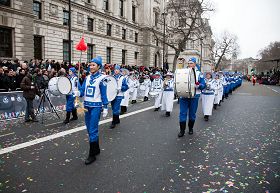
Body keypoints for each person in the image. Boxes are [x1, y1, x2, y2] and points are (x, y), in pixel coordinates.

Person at [74, 56, 109, 165]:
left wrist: (106, 107)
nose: (91, 66)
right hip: (87, 106)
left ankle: (92, 155)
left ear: (99, 66)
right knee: (89, 129)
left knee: (93, 130)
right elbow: (83, 90)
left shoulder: (103, 78)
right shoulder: (87, 77)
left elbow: (104, 94)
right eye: (90, 65)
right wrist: (78, 93)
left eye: (93, 65)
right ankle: (96, 149)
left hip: (96, 107)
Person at [178, 57, 206, 137]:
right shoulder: (183, 72)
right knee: (182, 113)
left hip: (195, 96)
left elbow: (203, 84)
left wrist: (199, 85)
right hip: (184, 96)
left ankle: (190, 128)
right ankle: (182, 130)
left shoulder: (199, 73)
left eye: (191, 63)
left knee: (192, 113)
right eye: (189, 63)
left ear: (195, 64)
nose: (189, 65)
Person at [110, 64, 129, 129]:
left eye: (117, 69)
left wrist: (120, 88)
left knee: (116, 108)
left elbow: (126, 87)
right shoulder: (111, 77)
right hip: (112, 95)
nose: (116, 71)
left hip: (119, 95)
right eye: (115, 69)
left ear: (119, 70)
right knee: (113, 108)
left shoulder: (122, 78)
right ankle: (117, 119)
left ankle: (113, 122)